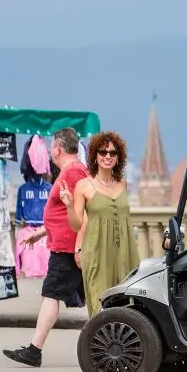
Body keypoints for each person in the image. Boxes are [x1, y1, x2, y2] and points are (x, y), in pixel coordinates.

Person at [3, 128, 89, 367]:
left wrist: (78, 247)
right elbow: (62, 214)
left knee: (51, 295)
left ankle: (34, 350)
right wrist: (41, 233)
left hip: (67, 249)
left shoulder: (73, 172)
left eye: (51, 146)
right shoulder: (70, 171)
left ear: (58, 149)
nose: (50, 151)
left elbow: (83, 211)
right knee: (87, 297)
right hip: (65, 244)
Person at [65, 131, 139, 317]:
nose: (108, 156)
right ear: (94, 155)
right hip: (96, 254)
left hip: (124, 253)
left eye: (113, 153)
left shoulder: (123, 184)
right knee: (100, 307)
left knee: (126, 306)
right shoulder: (84, 185)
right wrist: (69, 206)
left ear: (118, 157)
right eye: (103, 152)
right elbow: (76, 225)